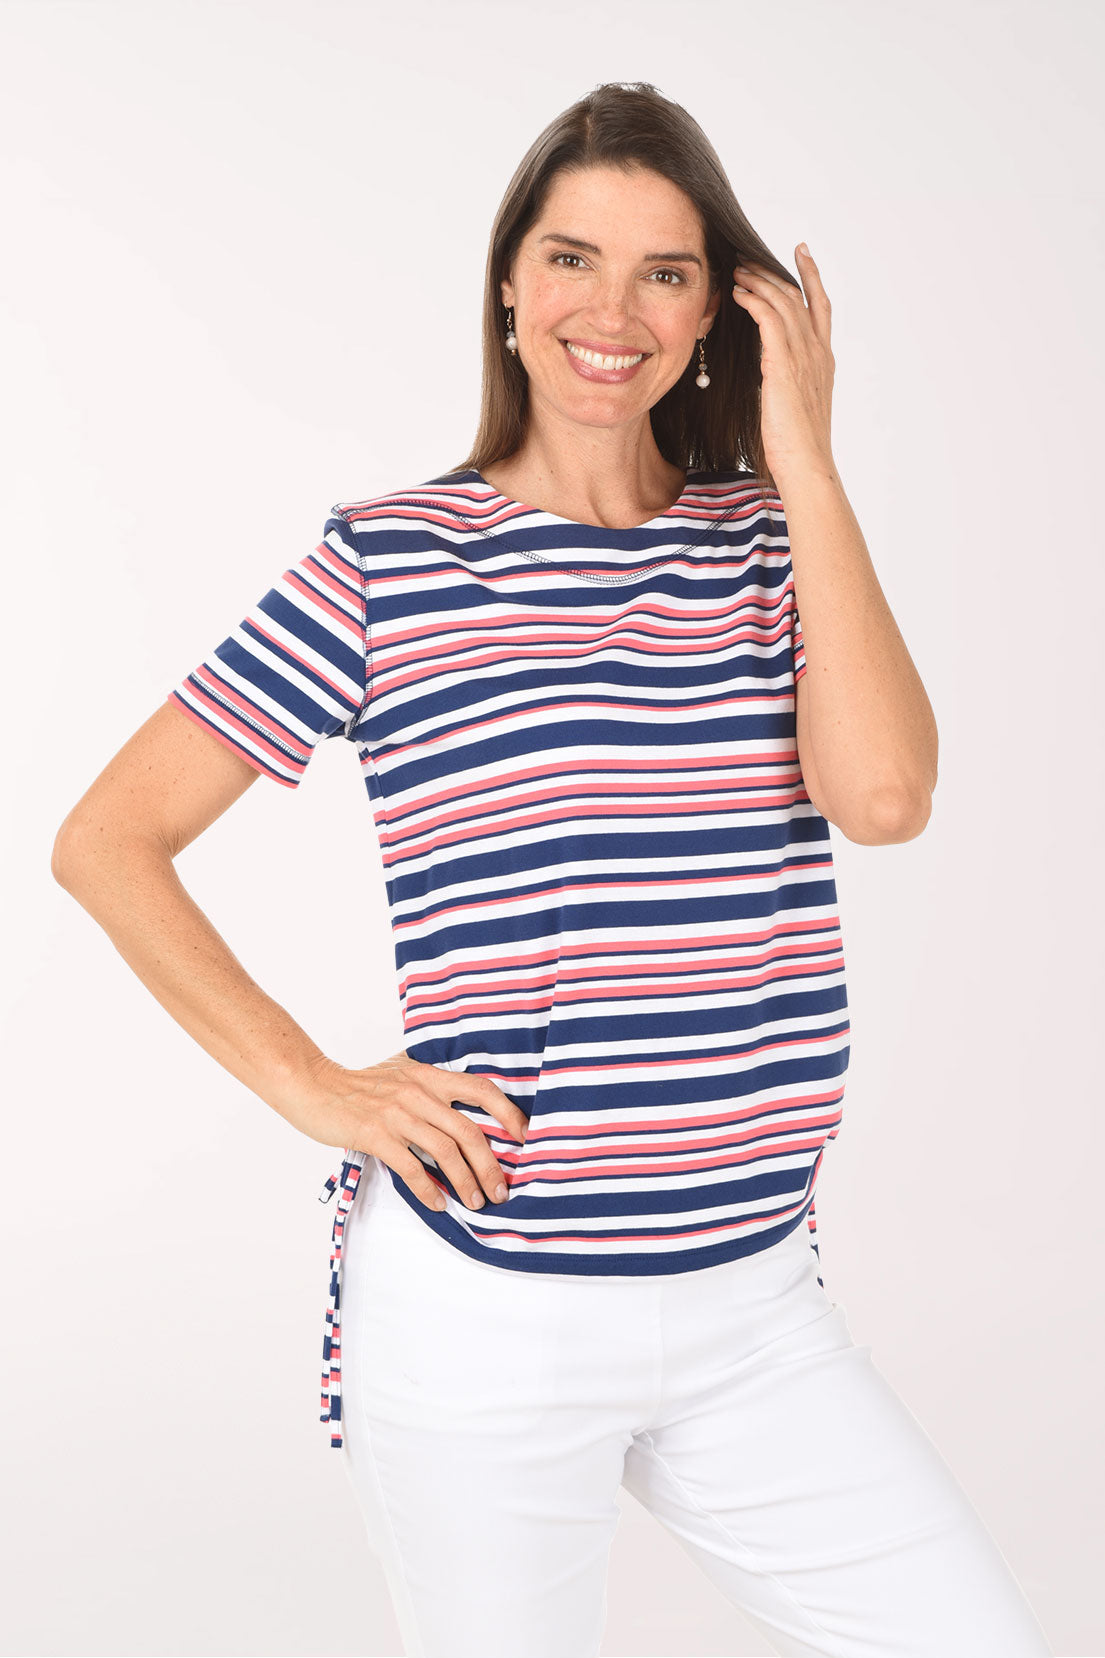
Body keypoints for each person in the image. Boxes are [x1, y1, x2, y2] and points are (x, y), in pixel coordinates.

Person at [51, 79, 1052, 1658]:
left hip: (753, 1307)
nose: (612, 309)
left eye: (664, 271)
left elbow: (882, 795)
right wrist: (318, 1085)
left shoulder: (767, 542)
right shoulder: (388, 557)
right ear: (509, 284)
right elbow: (107, 840)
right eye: (571, 258)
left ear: (719, 308)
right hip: (485, 1312)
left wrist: (807, 457)